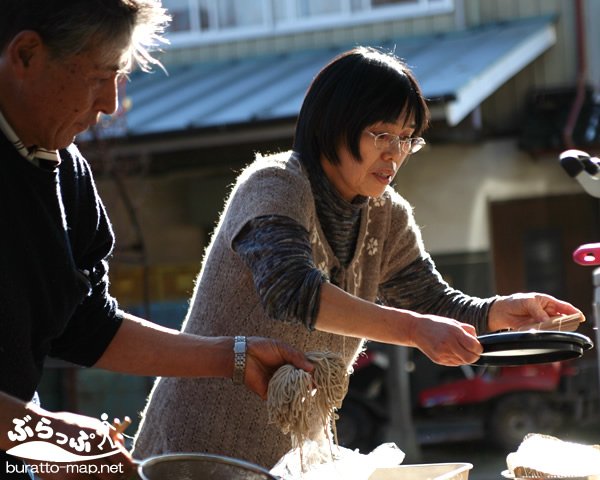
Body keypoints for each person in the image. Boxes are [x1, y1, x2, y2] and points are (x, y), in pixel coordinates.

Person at [132, 46, 584, 469]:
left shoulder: (388, 215)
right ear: (332, 124)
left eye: (407, 138)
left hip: (290, 458)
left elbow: (432, 304)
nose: (395, 154)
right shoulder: (273, 185)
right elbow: (292, 292)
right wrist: (412, 329)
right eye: (381, 134)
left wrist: (498, 312)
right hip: (194, 445)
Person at [0, 1, 313, 479]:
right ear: (25, 55)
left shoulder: (67, 171)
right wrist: (43, 434)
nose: (109, 102)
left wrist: (232, 356)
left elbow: (87, 322)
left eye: (119, 75)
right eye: (98, 77)